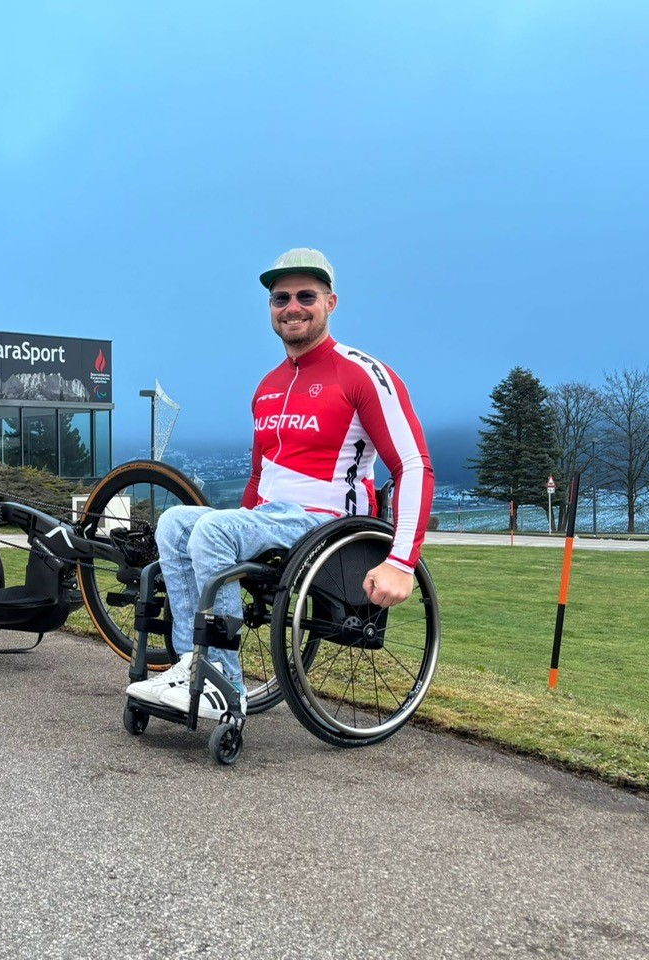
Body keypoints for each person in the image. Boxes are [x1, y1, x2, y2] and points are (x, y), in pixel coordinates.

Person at [126, 248, 434, 719]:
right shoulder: (268, 385)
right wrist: (240, 523)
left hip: (329, 522)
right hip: (272, 517)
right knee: (174, 523)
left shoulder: (362, 374)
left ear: (331, 302)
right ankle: (193, 662)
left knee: (213, 530)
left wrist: (401, 562)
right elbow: (258, 475)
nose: (292, 306)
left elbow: (413, 465)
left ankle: (224, 684)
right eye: (280, 297)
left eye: (305, 295)